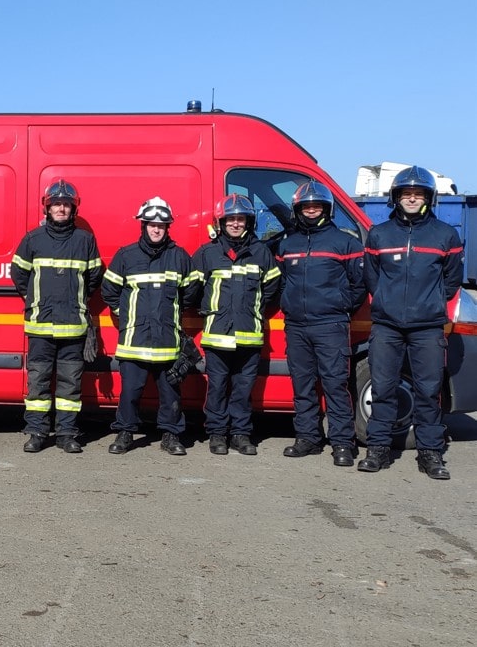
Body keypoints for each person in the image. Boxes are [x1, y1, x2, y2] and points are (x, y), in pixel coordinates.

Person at [358, 166, 464, 479]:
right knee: (383, 388)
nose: (412, 198)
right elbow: (371, 277)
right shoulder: (379, 234)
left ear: (429, 198)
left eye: (418, 194)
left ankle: (430, 453)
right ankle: (378, 449)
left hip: (427, 327)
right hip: (387, 326)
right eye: (407, 193)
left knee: (428, 391)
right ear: (396, 197)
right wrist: (387, 301)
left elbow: (451, 280)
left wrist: (431, 303)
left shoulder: (446, 235)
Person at [275, 181, 367, 466]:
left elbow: (359, 284)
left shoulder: (345, 242)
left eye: (317, 206)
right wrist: (288, 304)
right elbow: (281, 282)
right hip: (296, 326)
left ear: (327, 209)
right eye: (306, 206)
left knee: (335, 385)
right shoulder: (287, 244)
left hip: (331, 324)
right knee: (302, 385)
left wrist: (340, 307)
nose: (311, 210)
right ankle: (308, 438)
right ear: (298, 210)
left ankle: (342, 443)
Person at [9, 179, 103, 454]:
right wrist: (36, 300)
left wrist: (75, 300)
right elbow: (19, 275)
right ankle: (37, 432)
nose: (61, 209)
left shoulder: (85, 240)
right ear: (47, 208)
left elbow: (94, 277)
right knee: (37, 383)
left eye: (66, 204)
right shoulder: (33, 239)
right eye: (56, 204)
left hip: (73, 327)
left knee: (70, 385)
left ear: (73, 208)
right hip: (41, 326)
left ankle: (66, 434)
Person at [101, 197, 201, 455]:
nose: (156, 229)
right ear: (143, 225)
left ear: (168, 227)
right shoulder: (126, 256)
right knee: (130, 392)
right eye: (152, 224)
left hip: (167, 342)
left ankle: (171, 435)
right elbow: (109, 290)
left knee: (170, 393)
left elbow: (192, 291)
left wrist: (172, 312)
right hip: (134, 341)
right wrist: (127, 315)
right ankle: (125, 433)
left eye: (161, 225)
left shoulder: (179, 257)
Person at [192, 194, 282, 455]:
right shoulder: (207, 253)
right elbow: (193, 289)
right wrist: (211, 310)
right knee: (217, 388)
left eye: (240, 219)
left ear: (248, 222)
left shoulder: (261, 253)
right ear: (220, 223)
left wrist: (253, 310)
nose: (235, 223)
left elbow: (272, 288)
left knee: (243, 390)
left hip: (249, 335)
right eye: (230, 219)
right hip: (217, 335)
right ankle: (217, 434)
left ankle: (241, 435)